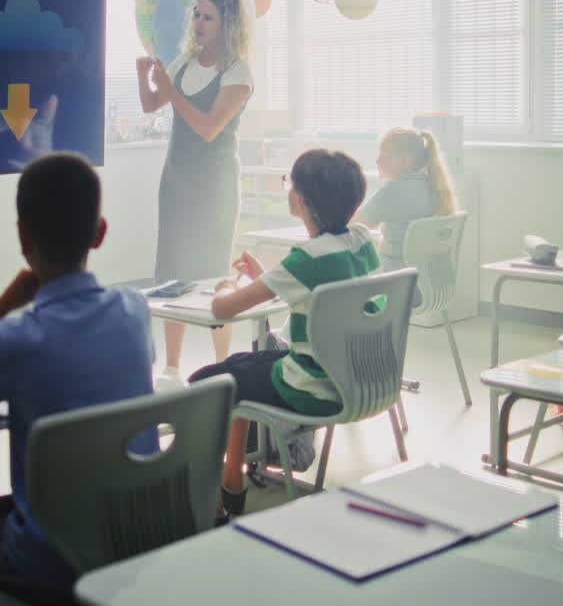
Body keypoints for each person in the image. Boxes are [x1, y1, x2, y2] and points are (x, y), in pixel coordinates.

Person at [0, 153, 155, 604]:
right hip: (136, 537)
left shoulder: (17, 337)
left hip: (52, 561)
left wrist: (4, 304)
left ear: (21, 237)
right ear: (100, 232)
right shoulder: (135, 312)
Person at [187, 149, 378, 520]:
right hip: (358, 377)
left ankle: (210, 502)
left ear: (301, 200)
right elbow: (309, 275)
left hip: (312, 387)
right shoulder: (361, 239)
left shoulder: (304, 260)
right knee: (238, 368)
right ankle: (233, 479)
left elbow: (222, 310)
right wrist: (268, 277)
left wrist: (227, 286)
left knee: (208, 383)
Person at [136, 0, 254, 378]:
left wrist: (168, 89)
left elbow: (207, 128)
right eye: (197, 15)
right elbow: (153, 105)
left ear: (226, 24)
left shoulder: (237, 71)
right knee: (173, 272)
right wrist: (144, 78)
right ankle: (171, 366)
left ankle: (224, 367)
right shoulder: (185, 62)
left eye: (208, 17)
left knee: (213, 272)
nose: (199, 23)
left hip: (214, 186)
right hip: (177, 180)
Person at [354, 126, 458, 274]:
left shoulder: (392, 191)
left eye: (384, 154)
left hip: (395, 277)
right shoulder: (434, 185)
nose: (377, 161)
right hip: (424, 279)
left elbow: (354, 226)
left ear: (405, 161)